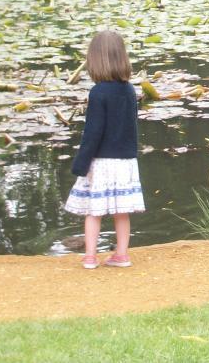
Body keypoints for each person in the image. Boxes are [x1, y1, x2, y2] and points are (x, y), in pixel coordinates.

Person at [64, 30, 145, 269]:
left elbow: (93, 132)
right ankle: (122, 254)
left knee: (94, 210)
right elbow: (132, 128)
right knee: (122, 212)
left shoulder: (98, 92)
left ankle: (90, 256)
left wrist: (81, 163)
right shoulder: (129, 90)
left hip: (101, 161)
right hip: (125, 161)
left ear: (95, 60)